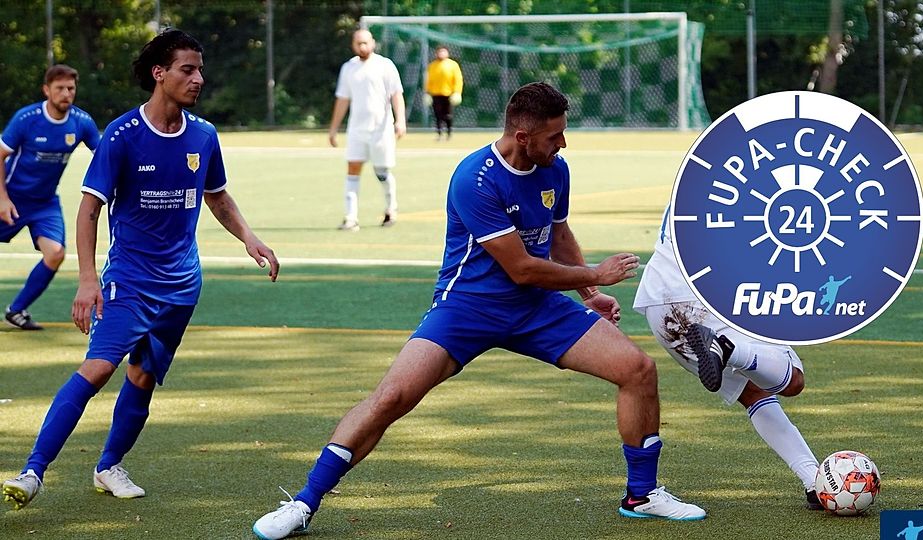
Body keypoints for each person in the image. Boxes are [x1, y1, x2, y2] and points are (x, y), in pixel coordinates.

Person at [252, 82, 705, 540]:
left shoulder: (555, 169)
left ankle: (642, 495)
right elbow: (523, 268)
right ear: (523, 137)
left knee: (638, 369)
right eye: (554, 137)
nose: (563, 144)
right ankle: (304, 503)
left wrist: (589, 293)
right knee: (391, 398)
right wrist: (598, 273)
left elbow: (559, 233)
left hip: (536, 310)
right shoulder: (476, 177)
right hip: (467, 308)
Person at [1, 29, 279, 511]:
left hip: (183, 284)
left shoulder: (204, 135)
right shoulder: (122, 135)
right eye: (187, 70)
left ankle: (109, 465)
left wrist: (249, 237)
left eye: (200, 70)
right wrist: (88, 280)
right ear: (160, 73)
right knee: (98, 368)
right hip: (128, 280)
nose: (198, 79)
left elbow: (216, 195)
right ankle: (33, 471)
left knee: (144, 376)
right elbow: (89, 210)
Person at [633, 205, 822, 509]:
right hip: (706, 293)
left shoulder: (704, 177)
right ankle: (730, 348)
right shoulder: (753, 180)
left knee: (753, 391)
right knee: (793, 380)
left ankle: (813, 480)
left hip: (659, 304)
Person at [0, 64, 100, 330]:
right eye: (60, 88)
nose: (66, 93)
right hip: (11, 197)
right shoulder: (27, 118)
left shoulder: (82, 122)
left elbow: (104, 156)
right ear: (47, 90)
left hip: (45, 203)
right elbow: (0, 155)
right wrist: (2, 198)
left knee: (55, 253)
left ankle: (17, 310)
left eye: (71, 88)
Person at [328, 28, 406, 231]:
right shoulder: (349, 68)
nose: (362, 46)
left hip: (381, 130)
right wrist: (334, 129)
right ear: (353, 45)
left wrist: (400, 121)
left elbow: (396, 94)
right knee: (352, 170)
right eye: (358, 43)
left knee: (382, 172)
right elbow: (343, 99)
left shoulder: (385, 65)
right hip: (356, 130)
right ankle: (351, 217)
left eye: (365, 42)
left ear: (373, 43)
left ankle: (391, 210)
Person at [424, 45, 463, 141]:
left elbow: (458, 79)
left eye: (443, 51)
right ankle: (439, 134)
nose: (442, 54)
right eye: (440, 52)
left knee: (448, 115)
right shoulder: (432, 66)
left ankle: (449, 133)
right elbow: (428, 80)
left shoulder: (453, 65)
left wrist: (457, 92)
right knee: (437, 115)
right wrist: (427, 92)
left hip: (449, 94)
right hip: (436, 94)